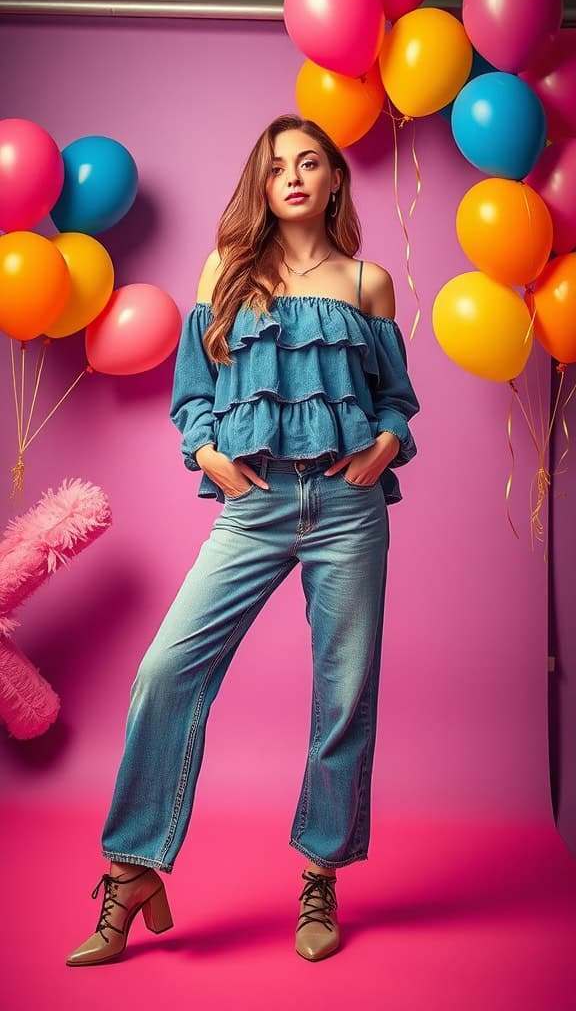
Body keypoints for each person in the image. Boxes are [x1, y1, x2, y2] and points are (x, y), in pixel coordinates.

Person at [66, 114, 420, 968]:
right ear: (259, 187)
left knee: (344, 693)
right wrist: (210, 455)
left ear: (335, 179)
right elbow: (192, 395)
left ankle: (321, 875)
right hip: (253, 505)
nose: (293, 177)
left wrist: (382, 444)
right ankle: (134, 869)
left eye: (309, 163)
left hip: (346, 506)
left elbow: (396, 399)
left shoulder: (368, 281)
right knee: (164, 671)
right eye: (276, 167)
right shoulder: (226, 270)